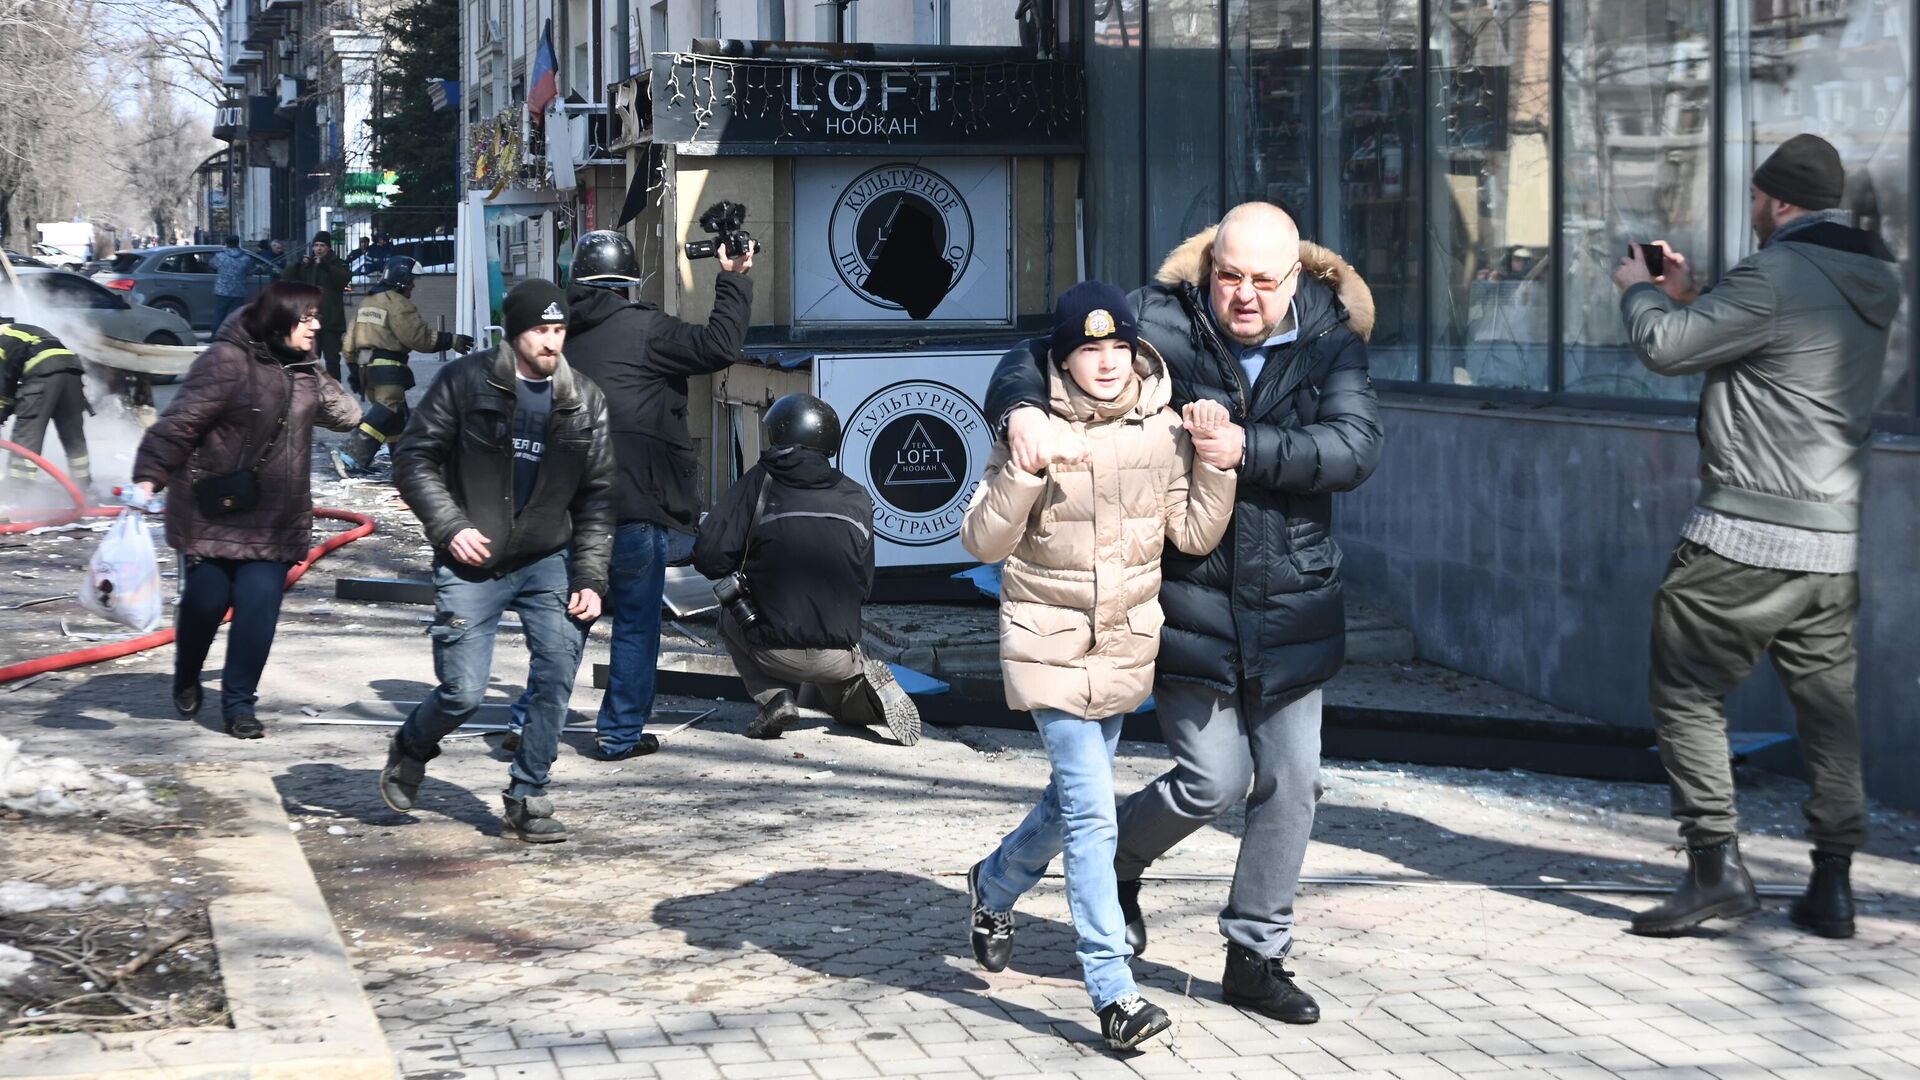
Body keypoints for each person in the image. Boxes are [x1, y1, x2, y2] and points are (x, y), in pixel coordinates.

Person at [983, 202, 1382, 1024]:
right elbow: (1044, 351)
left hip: (1294, 601)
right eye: (1228, 275)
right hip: (1190, 596)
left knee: (1295, 780)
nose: (1242, 295)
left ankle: (1256, 953)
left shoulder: (1332, 341)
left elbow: (1354, 447)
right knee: (1210, 780)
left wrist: (1250, 449)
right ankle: (1119, 863)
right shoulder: (1166, 320)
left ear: (1295, 278)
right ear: (1209, 270)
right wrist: (1020, 413)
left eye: (1262, 281)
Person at [1614, 134, 1900, 940]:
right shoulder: (1875, 278)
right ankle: (1833, 883)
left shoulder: (1775, 272)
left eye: (1755, 200)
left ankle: (1715, 869)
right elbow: (1775, 355)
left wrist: (1643, 292)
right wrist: (1695, 295)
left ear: (1775, 201)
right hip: (1833, 540)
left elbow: (1665, 348)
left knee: (1687, 690)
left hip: (1746, 532)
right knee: (1828, 709)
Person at [960, 282, 1237, 1051]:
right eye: (1089, 349)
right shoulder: (1030, 422)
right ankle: (1113, 994)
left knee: (1066, 804)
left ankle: (995, 883)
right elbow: (980, 542)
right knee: (1091, 814)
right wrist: (1023, 465)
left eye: (1118, 347)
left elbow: (1195, 534)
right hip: (1048, 642)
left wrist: (1215, 460)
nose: (1107, 363)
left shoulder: (1162, 426)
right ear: (1062, 357)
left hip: (1125, 643)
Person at [380, 279, 615, 844]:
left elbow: (600, 497)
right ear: (515, 332)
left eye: (559, 330)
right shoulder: (464, 381)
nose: (552, 342)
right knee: (464, 690)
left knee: (558, 672)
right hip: (472, 559)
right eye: (541, 329)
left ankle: (528, 795)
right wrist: (449, 526)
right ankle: (411, 747)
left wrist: (590, 576)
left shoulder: (585, 399)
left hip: (548, 558)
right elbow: (414, 460)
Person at [538, 227, 752, 761]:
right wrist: (732, 278)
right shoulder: (646, 329)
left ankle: (532, 727)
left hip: (567, 509)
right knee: (636, 623)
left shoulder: (552, 335)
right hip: (633, 506)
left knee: (571, 617)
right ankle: (618, 735)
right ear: (629, 283)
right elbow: (718, 346)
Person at [130, 282, 363, 739]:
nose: (317, 324)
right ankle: (188, 672)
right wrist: (147, 480)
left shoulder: (303, 369)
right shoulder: (226, 360)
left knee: (258, 608)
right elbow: (178, 425)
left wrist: (312, 366)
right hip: (213, 510)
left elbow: (349, 415)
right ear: (280, 320)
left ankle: (239, 705)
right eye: (308, 317)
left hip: (275, 515)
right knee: (206, 603)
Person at [693, 393, 920, 744]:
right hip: (840, 651)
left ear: (780, 435)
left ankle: (775, 698)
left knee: (727, 614)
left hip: (772, 648)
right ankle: (867, 699)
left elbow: (710, 557)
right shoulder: (855, 495)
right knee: (838, 698)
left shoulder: (760, 482)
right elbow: (865, 583)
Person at [333, 255, 472, 475]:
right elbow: (417, 337)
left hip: (365, 367)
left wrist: (354, 372)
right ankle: (350, 454)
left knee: (396, 421)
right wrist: (452, 340)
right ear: (401, 280)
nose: (413, 285)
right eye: (411, 281)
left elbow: (349, 344)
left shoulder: (367, 302)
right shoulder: (397, 304)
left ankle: (403, 461)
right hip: (388, 368)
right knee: (388, 409)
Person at [0, 317, 91, 493]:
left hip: (43, 371)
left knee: (28, 430)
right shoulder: (20, 330)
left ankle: (18, 490)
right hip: (72, 369)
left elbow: (2, 386)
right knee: (72, 433)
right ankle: (82, 485)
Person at [282, 231, 352, 381]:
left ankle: (335, 391)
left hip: (331, 320)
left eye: (322, 245)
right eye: (316, 245)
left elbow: (344, 280)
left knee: (332, 360)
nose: (318, 249)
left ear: (328, 248)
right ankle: (311, 390)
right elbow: (286, 278)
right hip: (309, 320)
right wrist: (297, 264)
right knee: (309, 359)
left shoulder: (337, 263)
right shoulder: (308, 265)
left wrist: (326, 266)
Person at [211, 235, 255, 332]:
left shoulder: (220, 256)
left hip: (222, 290)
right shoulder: (246, 258)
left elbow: (212, 265)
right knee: (237, 316)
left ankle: (215, 334)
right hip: (239, 290)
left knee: (220, 313)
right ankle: (235, 334)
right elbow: (250, 271)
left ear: (226, 243)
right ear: (238, 243)